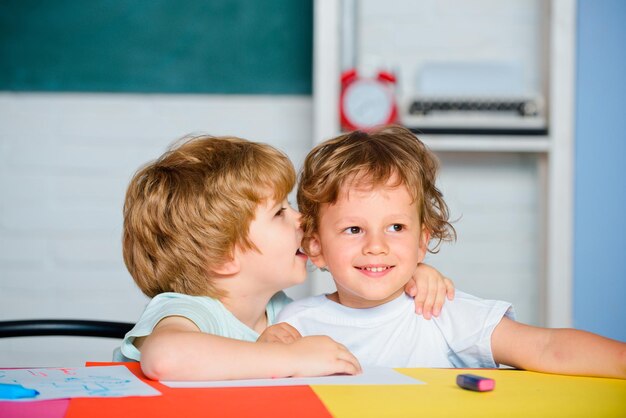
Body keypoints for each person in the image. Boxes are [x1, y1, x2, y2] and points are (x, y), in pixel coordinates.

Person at [278, 125, 626, 379]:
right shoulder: (294, 323)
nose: (376, 246)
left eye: (396, 227)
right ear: (316, 247)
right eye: (353, 229)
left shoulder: (439, 312)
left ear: (421, 242)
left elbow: (545, 347)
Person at [116, 134, 454, 381]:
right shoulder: (184, 311)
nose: (301, 219)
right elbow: (166, 357)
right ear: (222, 257)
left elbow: (353, 280)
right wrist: (288, 357)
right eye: (280, 212)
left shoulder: (277, 310)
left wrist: (410, 276)